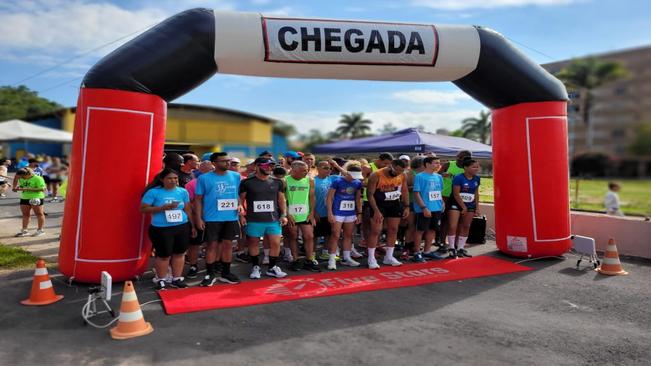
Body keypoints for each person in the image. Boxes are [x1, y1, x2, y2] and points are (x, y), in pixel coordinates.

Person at [141, 168, 196, 290]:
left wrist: (192, 225)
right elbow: (143, 209)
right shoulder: (154, 192)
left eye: (175, 178)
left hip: (181, 226)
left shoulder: (182, 192)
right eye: (170, 178)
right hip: (161, 228)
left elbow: (187, 209)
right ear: (162, 179)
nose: (173, 181)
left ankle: (176, 278)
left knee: (179, 253)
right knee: (164, 255)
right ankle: (161, 279)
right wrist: (161, 208)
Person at [195, 153, 242, 286]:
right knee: (212, 246)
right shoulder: (204, 178)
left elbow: (236, 195)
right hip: (212, 218)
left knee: (228, 245)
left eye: (229, 161)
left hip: (231, 217)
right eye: (224, 161)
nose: (227, 163)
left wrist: (239, 205)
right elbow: (198, 200)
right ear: (214, 163)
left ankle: (226, 273)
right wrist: (199, 218)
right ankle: (210, 274)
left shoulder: (235, 176)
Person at [239, 157, 288, 279]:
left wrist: (283, 215)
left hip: (273, 219)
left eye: (271, 166)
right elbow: (241, 200)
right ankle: (255, 267)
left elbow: (281, 199)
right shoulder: (247, 182)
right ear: (257, 166)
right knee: (253, 243)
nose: (269, 168)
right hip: (253, 219)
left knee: (276, 243)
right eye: (266, 166)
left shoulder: (278, 182)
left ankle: (272, 268)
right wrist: (241, 215)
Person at [366, 159, 410, 268]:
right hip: (379, 204)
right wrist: (376, 210)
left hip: (394, 203)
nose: (398, 173)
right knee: (376, 230)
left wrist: (407, 206)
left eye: (401, 171)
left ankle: (389, 257)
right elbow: (370, 194)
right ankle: (371, 258)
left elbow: (404, 190)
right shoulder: (376, 175)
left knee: (394, 229)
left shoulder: (402, 175)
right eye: (397, 171)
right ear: (391, 166)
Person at [326, 161, 364, 270]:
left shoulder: (357, 183)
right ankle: (332, 259)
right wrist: (330, 213)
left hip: (350, 212)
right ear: (347, 173)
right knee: (335, 235)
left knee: (348, 235)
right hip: (337, 212)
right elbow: (329, 198)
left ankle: (346, 258)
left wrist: (359, 213)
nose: (355, 178)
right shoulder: (337, 181)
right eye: (353, 176)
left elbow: (358, 199)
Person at [284, 160, 320, 272]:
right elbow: (282, 199)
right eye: (304, 170)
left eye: (307, 169)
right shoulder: (285, 180)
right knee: (293, 236)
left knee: (309, 236)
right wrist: (287, 214)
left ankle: (309, 260)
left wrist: (311, 212)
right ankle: (295, 260)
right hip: (292, 214)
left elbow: (312, 197)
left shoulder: (310, 180)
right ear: (294, 171)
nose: (307, 171)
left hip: (305, 214)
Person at [183, 160, 215, 279]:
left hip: (215, 218)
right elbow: (189, 203)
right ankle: (193, 266)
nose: (212, 171)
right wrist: (198, 217)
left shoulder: (218, 182)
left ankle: (212, 265)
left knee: (212, 243)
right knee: (194, 244)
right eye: (209, 169)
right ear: (201, 170)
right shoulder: (192, 184)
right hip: (199, 218)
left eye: (212, 168)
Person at [412, 156, 446, 262]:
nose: (438, 165)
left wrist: (442, 202)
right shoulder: (419, 176)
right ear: (427, 164)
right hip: (424, 209)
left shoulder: (439, 177)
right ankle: (417, 253)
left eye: (438, 163)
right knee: (420, 230)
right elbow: (416, 193)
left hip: (436, 208)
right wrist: (424, 207)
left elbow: (439, 191)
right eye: (435, 163)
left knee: (432, 230)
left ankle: (427, 251)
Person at [446, 157, 481, 258]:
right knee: (453, 225)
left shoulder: (477, 179)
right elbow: (456, 194)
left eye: (477, 167)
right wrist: (463, 207)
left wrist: (477, 207)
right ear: (465, 167)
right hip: (456, 204)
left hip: (470, 204)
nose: (476, 169)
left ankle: (461, 248)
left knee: (466, 225)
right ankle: (452, 248)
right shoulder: (458, 177)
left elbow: (476, 193)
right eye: (473, 167)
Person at [440, 150, 472, 251]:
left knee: (459, 221)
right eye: (458, 156)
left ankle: (457, 243)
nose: (459, 159)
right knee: (444, 220)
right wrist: (443, 174)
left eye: (462, 157)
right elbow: (435, 175)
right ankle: (442, 242)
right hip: (445, 195)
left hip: (459, 197)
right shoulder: (448, 164)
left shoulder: (467, 168)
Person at [13, 168, 47, 237]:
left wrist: (27, 189)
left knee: (39, 214)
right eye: (20, 177)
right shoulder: (21, 178)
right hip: (25, 197)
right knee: (25, 214)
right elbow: (23, 185)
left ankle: (40, 230)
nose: (21, 178)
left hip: (36, 197)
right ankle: (24, 230)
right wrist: (18, 187)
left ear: (28, 174)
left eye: (22, 176)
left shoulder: (38, 178)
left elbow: (42, 189)